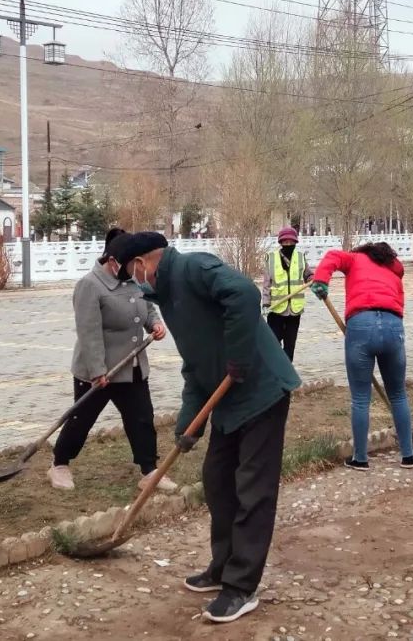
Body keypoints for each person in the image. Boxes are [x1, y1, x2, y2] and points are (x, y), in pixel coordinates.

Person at [116, 232, 300, 624]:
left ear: (144, 262)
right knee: (217, 480)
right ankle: (223, 567)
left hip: (263, 390)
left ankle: (241, 587)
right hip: (228, 399)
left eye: (132, 271)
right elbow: (195, 367)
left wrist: (237, 356)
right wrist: (188, 428)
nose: (134, 280)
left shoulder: (193, 267)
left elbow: (246, 296)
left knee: (253, 490)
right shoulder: (167, 296)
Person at [49, 228, 175, 492]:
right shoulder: (90, 286)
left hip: (132, 366)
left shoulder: (134, 281)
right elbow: (88, 331)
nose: (133, 269)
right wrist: (97, 370)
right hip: (100, 371)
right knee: (80, 420)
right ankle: (59, 464)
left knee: (142, 418)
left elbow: (148, 308)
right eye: (129, 264)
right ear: (112, 261)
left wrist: (155, 325)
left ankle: (149, 471)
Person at [310, 241, 413, 471]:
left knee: (361, 398)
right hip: (393, 326)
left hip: (361, 326)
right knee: (399, 395)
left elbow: (332, 256)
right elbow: (399, 300)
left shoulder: (355, 258)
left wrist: (321, 280)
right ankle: (408, 455)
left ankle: (360, 458)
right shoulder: (393, 270)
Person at [261, 226, 314, 361]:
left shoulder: (301, 257)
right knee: (273, 345)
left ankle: (288, 375)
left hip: (294, 310)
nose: (288, 244)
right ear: (281, 243)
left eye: (291, 242)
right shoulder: (271, 258)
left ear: (295, 243)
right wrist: (266, 304)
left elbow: (308, 275)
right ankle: (276, 374)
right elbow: (266, 283)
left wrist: (312, 279)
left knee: (290, 346)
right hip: (276, 310)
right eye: (285, 242)